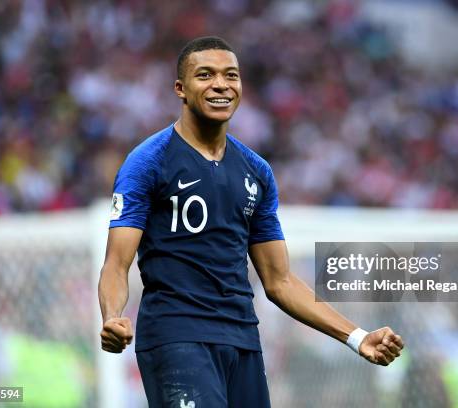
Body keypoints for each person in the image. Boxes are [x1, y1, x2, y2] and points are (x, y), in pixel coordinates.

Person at [98, 36, 404, 408]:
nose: (221, 85)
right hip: (177, 336)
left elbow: (280, 281)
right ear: (180, 88)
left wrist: (357, 337)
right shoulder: (147, 161)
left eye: (231, 75)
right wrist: (112, 317)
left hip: (243, 340)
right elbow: (116, 263)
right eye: (205, 75)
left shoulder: (256, 172)